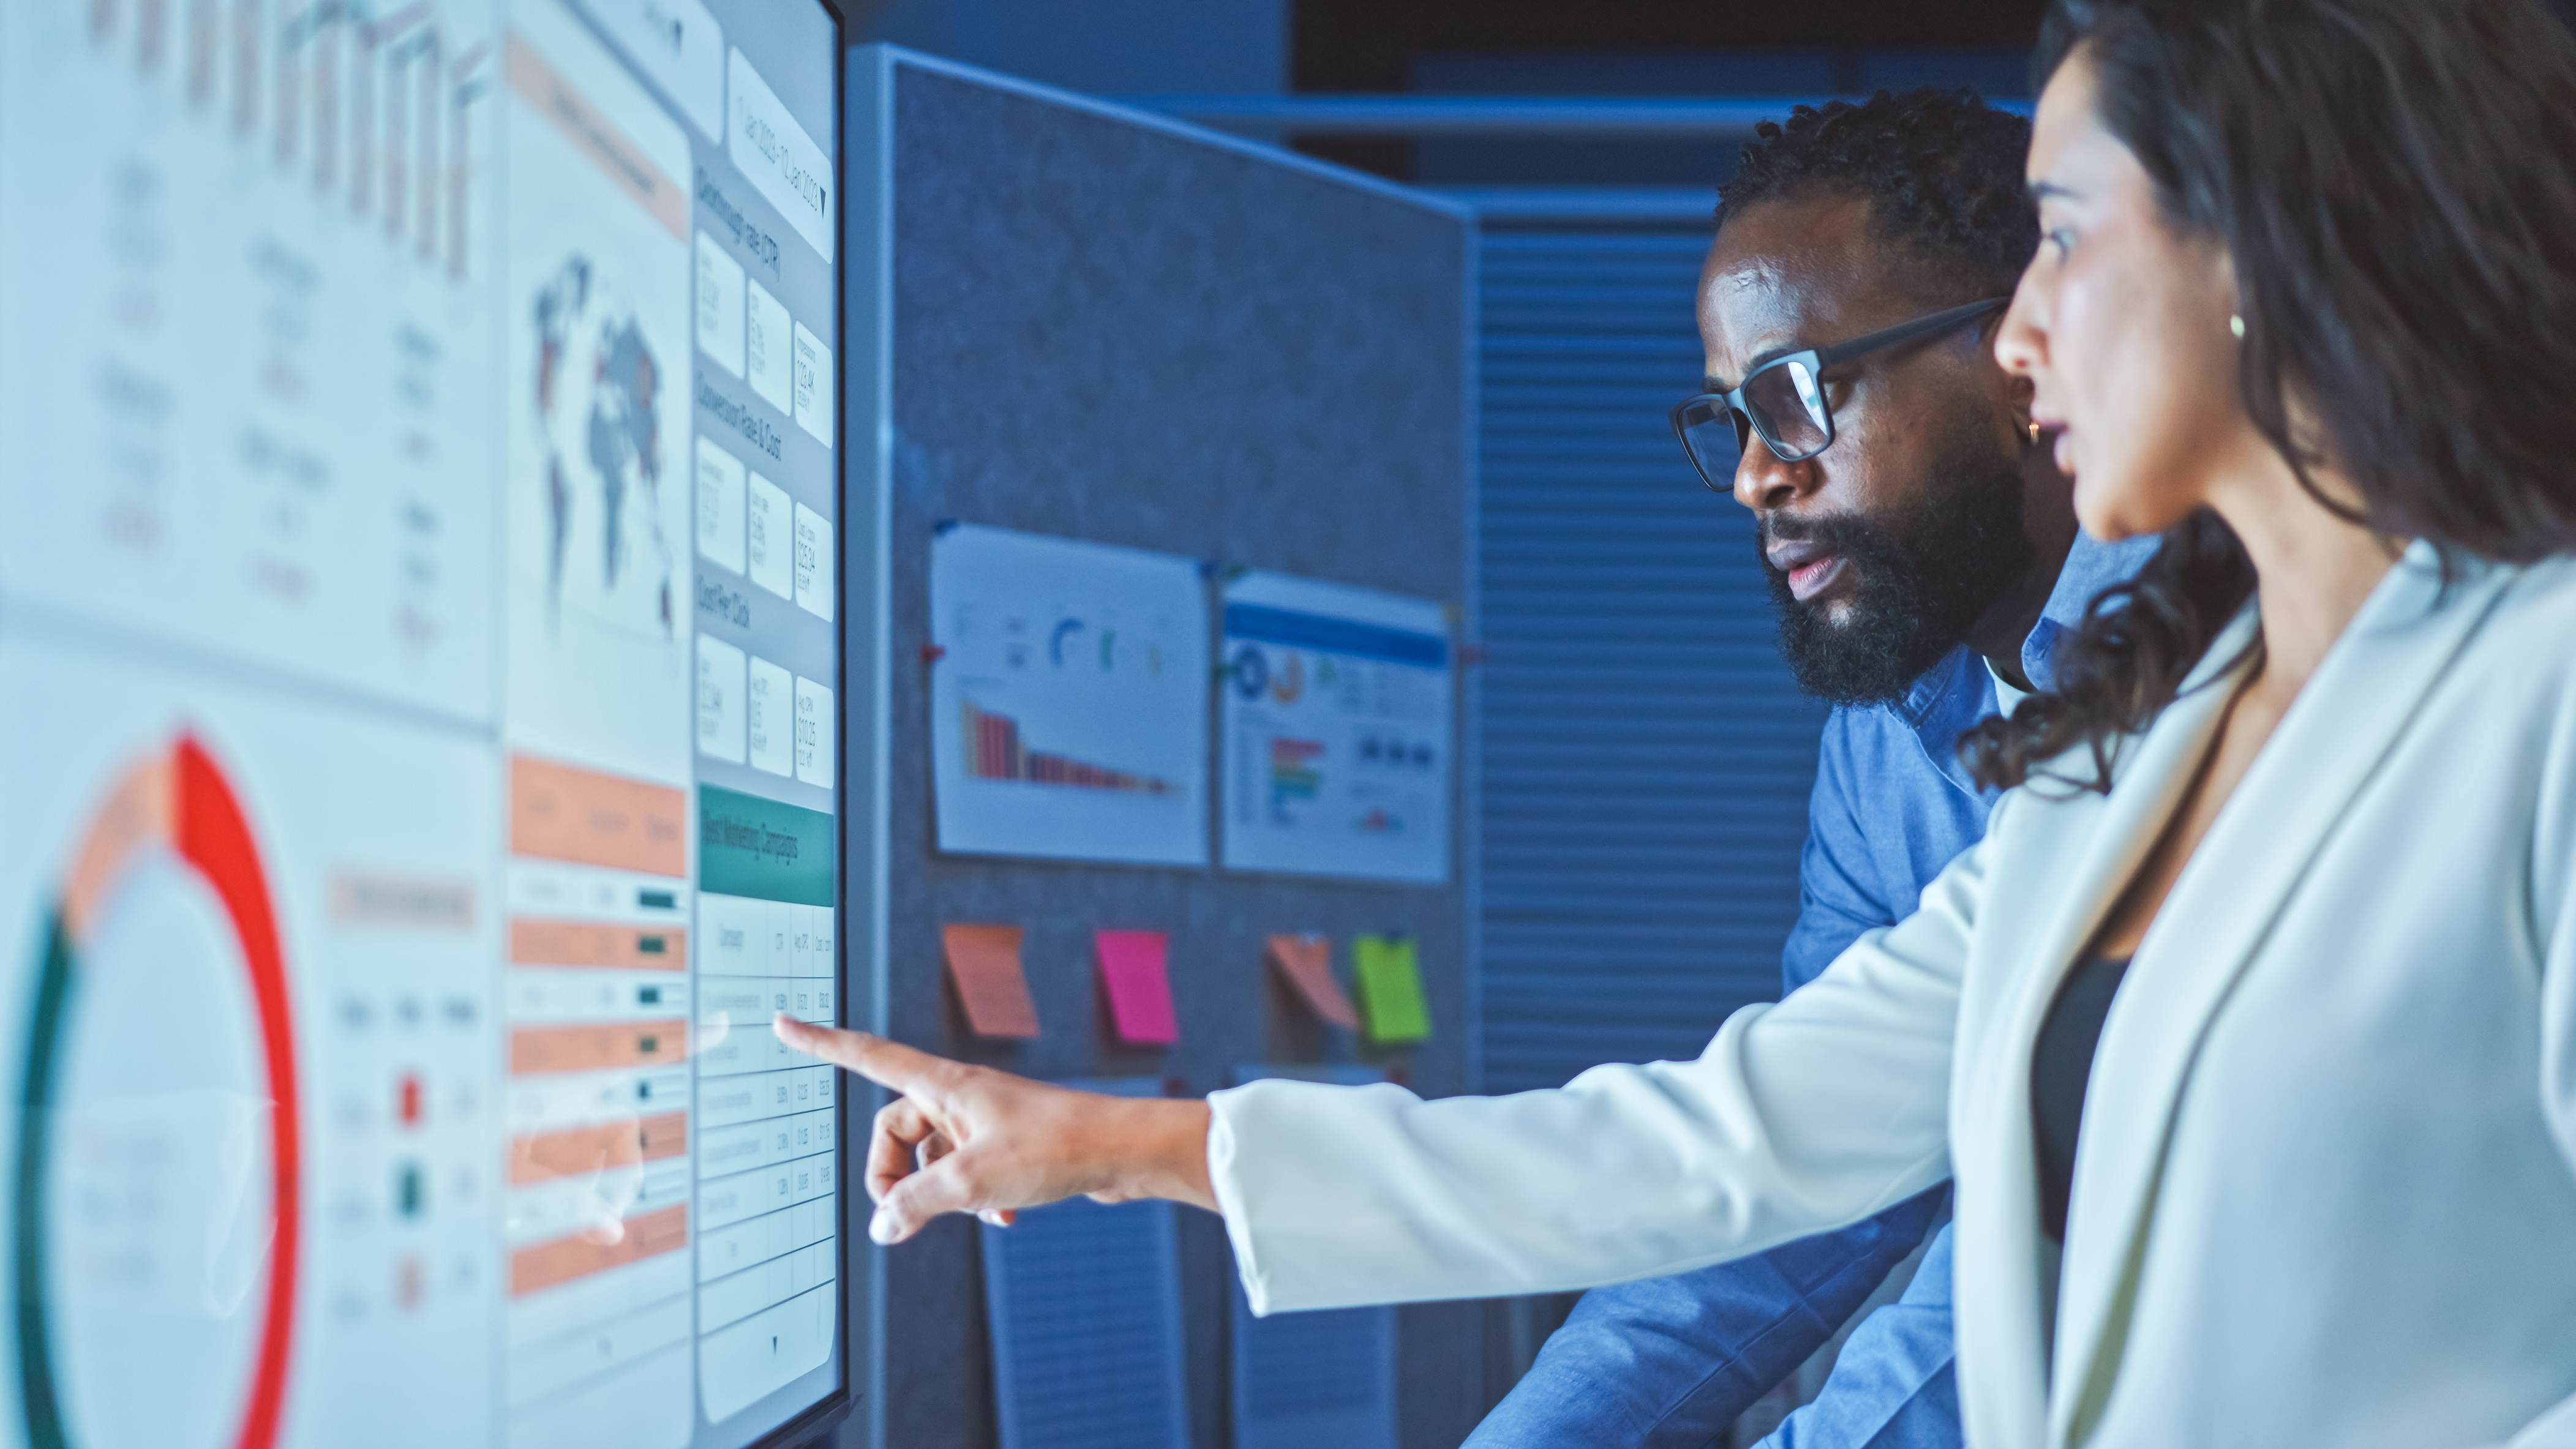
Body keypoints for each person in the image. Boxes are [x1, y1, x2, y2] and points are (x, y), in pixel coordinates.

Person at [787, 2, 2576, 1443]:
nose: (2031, 334)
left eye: (2059, 239)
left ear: (2266, 241)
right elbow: (1739, 1147)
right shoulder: (2123, 748)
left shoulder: (2541, 691)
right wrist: (1120, 1144)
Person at [1473, 89, 2154, 1449]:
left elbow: (2079, 1222)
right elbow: (1805, 1169)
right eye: (1730, 415)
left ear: (2023, 354)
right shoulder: (1887, 733)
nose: (1752, 478)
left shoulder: (2225, 654)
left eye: (1794, 397)